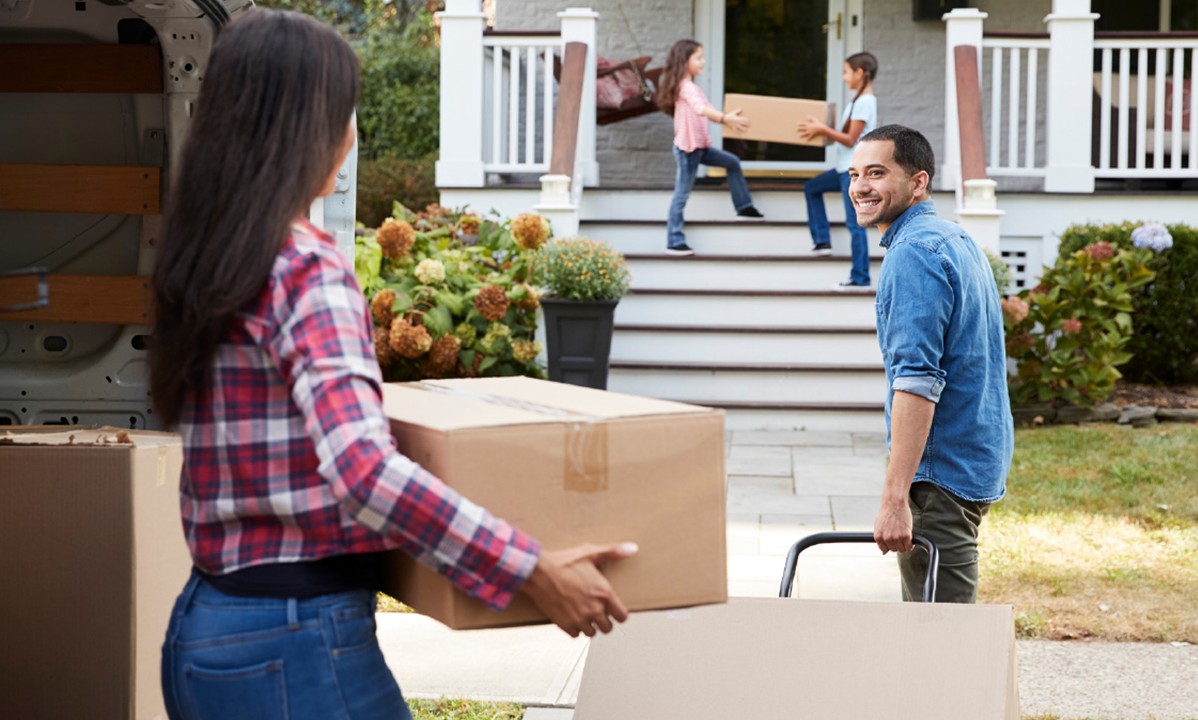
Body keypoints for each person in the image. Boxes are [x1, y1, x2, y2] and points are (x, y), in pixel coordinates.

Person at [149, 11, 634, 719]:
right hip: (295, 640)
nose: (353, 136)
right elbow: (363, 471)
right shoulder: (305, 267)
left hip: (207, 623)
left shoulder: (208, 259)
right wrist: (531, 567)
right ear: (310, 130)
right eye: (347, 114)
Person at [849, 125, 1014, 604]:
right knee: (943, 641)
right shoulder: (954, 238)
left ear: (918, 182)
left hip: (940, 473)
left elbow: (918, 382)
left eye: (877, 173)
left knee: (942, 642)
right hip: (972, 459)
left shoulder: (914, 254)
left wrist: (894, 498)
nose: (861, 186)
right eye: (856, 174)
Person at [655, 38, 765, 257]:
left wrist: (727, 120)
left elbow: (708, 110)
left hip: (700, 147)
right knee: (682, 194)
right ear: (684, 61)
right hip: (688, 150)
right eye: (699, 57)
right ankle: (674, 241)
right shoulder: (685, 87)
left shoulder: (692, 87)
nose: (703, 62)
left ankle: (744, 207)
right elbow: (701, 110)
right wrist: (725, 118)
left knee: (732, 162)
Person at [797, 52, 878, 288]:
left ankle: (860, 277)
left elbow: (851, 139)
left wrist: (822, 129)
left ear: (860, 73)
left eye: (846, 72)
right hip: (843, 168)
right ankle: (822, 241)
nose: (844, 78)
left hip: (851, 172)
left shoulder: (865, 102)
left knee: (855, 224)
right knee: (812, 188)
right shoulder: (858, 100)